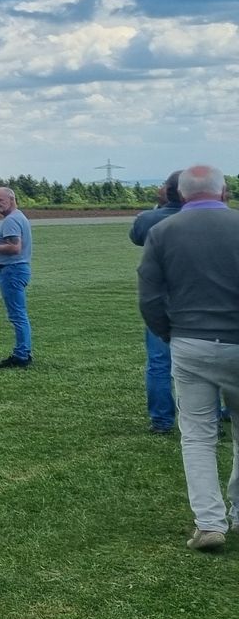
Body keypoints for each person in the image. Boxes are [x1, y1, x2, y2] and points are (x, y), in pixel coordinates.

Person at [136, 163, 239, 551]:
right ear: (224, 191)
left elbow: (149, 298)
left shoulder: (162, 232)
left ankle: (210, 523)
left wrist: (171, 333)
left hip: (190, 342)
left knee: (197, 436)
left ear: (180, 194)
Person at [131, 172, 185, 433]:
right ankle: (213, 413)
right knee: (204, 363)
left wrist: (160, 207)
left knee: (159, 364)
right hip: (196, 301)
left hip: (161, 301)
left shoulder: (151, 219)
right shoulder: (208, 219)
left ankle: (162, 420)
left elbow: (136, 234)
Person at [0, 185, 33, 367]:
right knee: (19, 314)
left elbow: (14, 248)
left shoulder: (11, 220)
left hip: (12, 270)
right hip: (17, 269)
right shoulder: (19, 217)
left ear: (11, 199)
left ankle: (21, 355)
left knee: (17, 315)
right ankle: (23, 351)